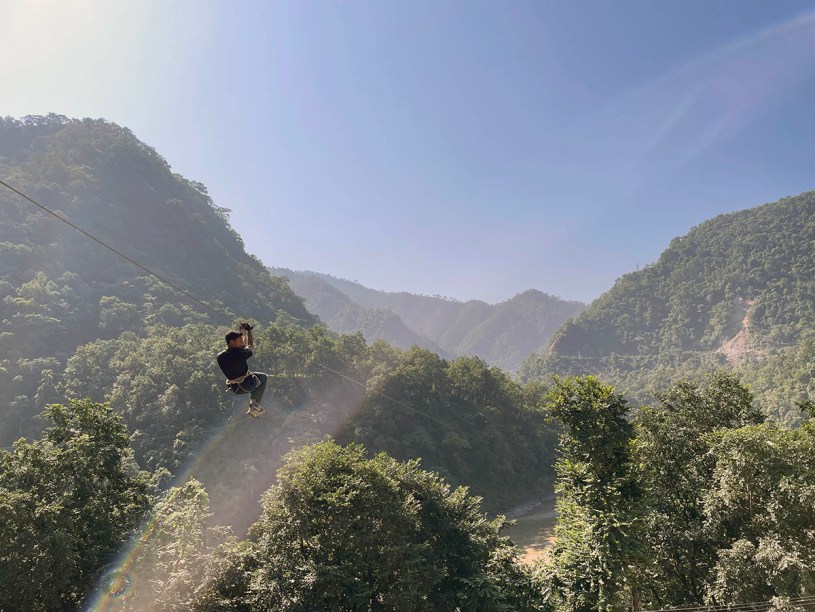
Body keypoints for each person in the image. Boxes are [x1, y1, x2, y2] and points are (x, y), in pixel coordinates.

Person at [217, 322, 268, 418]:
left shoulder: (220, 356)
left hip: (234, 388)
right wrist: (249, 331)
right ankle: (254, 404)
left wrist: (241, 332)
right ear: (232, 342)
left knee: (254, 377)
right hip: (245, 385)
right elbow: (250, 346)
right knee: (263, 377)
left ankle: (253, 404)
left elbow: (234, 350)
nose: (242, 342)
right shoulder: (240, 354)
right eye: (240, 340)